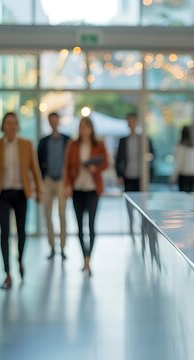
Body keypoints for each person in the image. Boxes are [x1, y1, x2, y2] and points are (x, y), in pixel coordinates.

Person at [0, 112, 42, 290]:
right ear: (3, 125)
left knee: (22, 231)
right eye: (8, 123)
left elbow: (34, 170)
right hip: (2, 194)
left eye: (15, 123)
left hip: (21, 193)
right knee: (4, 232)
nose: (12, 126)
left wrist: (39, 190)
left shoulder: (26, 144)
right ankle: (7, 273)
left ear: (18, 126)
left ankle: (20, 259)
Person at [64, 117, 109, 276]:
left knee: (91, 225)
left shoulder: (99, 144)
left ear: (91, 129)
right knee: (79, 228)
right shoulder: (73, 145)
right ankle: (84, 257)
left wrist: (95, 169)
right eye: (81, 127)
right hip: (77, 190)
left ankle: (89, 259)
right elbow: (67, 167)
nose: (84, 130)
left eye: (87, 127)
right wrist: (67, 186)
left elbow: (106, 163)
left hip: (92, 190)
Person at [37, 112, 70, 261]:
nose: (53, 123)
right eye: (51, 121)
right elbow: (38, 162)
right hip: (48, 180)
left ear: (59, 122)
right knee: (47, 214)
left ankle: (63, 247)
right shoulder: (44, 141)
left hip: (62, 180)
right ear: (49, 123)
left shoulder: (67, 140)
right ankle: (52, 246)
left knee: (62, 214)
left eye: (55, 120)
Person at [115, 112, 154, 192]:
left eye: (133, 121)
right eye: (129, 121)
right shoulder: (123, 141)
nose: (131, 123)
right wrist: (119, 175)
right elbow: (118, 158)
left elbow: (151, 155)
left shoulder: (144, 140)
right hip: (127, 175)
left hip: (141, 175)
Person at [169, 126, 194, 192]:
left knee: (183, 196)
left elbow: (178, 164)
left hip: (184, 175)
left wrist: (173, 178)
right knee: (192, 195)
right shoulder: (193, 147)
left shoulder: (180, 147)